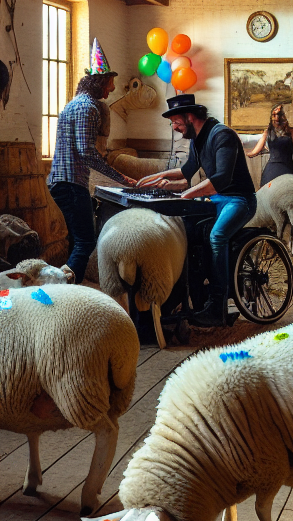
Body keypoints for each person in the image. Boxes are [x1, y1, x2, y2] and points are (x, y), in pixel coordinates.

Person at [138, 94, 257, 328]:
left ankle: (217, 305)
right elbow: (186, 172)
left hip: (239, 200)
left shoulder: (222, 135)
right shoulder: (197, 139)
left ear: (190, 117)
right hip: (216, 198)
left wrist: (187, 194)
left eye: (177, 122)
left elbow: (221, 178)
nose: (175, 127)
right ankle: (193, 297)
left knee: (217, 236)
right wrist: (156, 177)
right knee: (190, 233)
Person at [46, 39, 137, 285]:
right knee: (86, 241)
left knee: (76, 241)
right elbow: (86, 152)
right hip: (71, 185)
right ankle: (64, 290)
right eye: (109, 84)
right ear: (99, 83)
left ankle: (68, 289)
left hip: (58, 183)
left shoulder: (71, 105)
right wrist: (120, 177)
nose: (111, 90)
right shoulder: (89, 108)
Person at [246, 103, 293, 187]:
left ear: (283, 115)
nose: (277, 117)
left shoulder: (291, 132)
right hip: (271, 171)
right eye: (274, 115)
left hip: (288, 170)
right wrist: (244, 152)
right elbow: (254, 152)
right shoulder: (267, 131)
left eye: (279, 114)